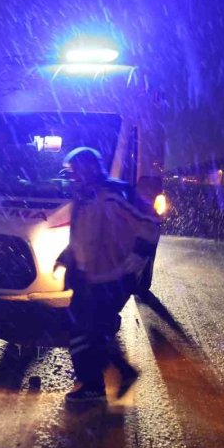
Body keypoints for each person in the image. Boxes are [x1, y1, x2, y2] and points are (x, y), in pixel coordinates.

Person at [56, 147, 160, 405]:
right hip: (88, 277)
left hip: (110, 277)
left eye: (75, 171)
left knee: (85, 332)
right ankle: (117, 374)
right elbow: (84, 237)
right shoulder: (85, 198)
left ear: (89, 169)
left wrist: (140, 252)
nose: (72, 177)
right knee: (92, 332)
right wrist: (66, 257)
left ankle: (93, 386)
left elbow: (148, 222)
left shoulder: (112, 195)